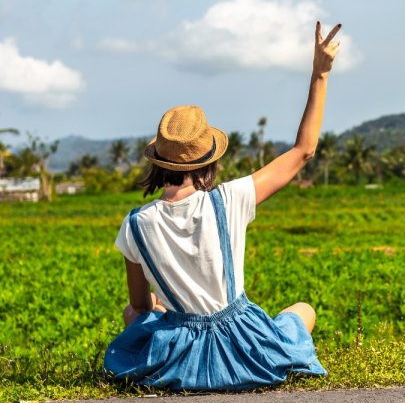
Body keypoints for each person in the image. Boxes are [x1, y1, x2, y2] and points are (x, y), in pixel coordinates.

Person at [103, 21, 342, 391]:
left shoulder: (136, 224)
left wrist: (168, 303)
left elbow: (140, 306)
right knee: (303, 311)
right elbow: (303, 150)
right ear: (209, 161)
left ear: (158, 162)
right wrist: (320, 73)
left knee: (133, 312)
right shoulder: (230, 198)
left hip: (179, 358)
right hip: (247, 349)